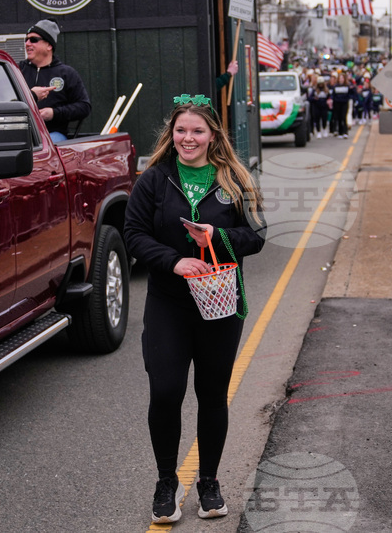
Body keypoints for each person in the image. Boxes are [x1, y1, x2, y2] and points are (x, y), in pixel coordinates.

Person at [123, 95, 265, 524]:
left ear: (212, 136)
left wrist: (216, 236)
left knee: (211, 394)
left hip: (220, 304)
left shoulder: (234, 179)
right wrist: (174, 260)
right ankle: (168, 480)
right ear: (172, 133)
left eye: (197, 131)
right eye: (182, 130)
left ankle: (208, 481)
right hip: (169, 302)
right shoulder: (154, 179)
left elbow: (255, 236)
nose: (189, 138)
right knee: (165, 391)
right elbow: (132, 233)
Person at [17, 19, 92, 143]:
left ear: (49, 45)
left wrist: (53, 113)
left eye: (33, 40)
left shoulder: (66, 73)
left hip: (52, 134)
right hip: (20, 133)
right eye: (26, 39)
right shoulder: (18, 70)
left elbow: (84, 107)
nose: (27, 43)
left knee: (44, 147)